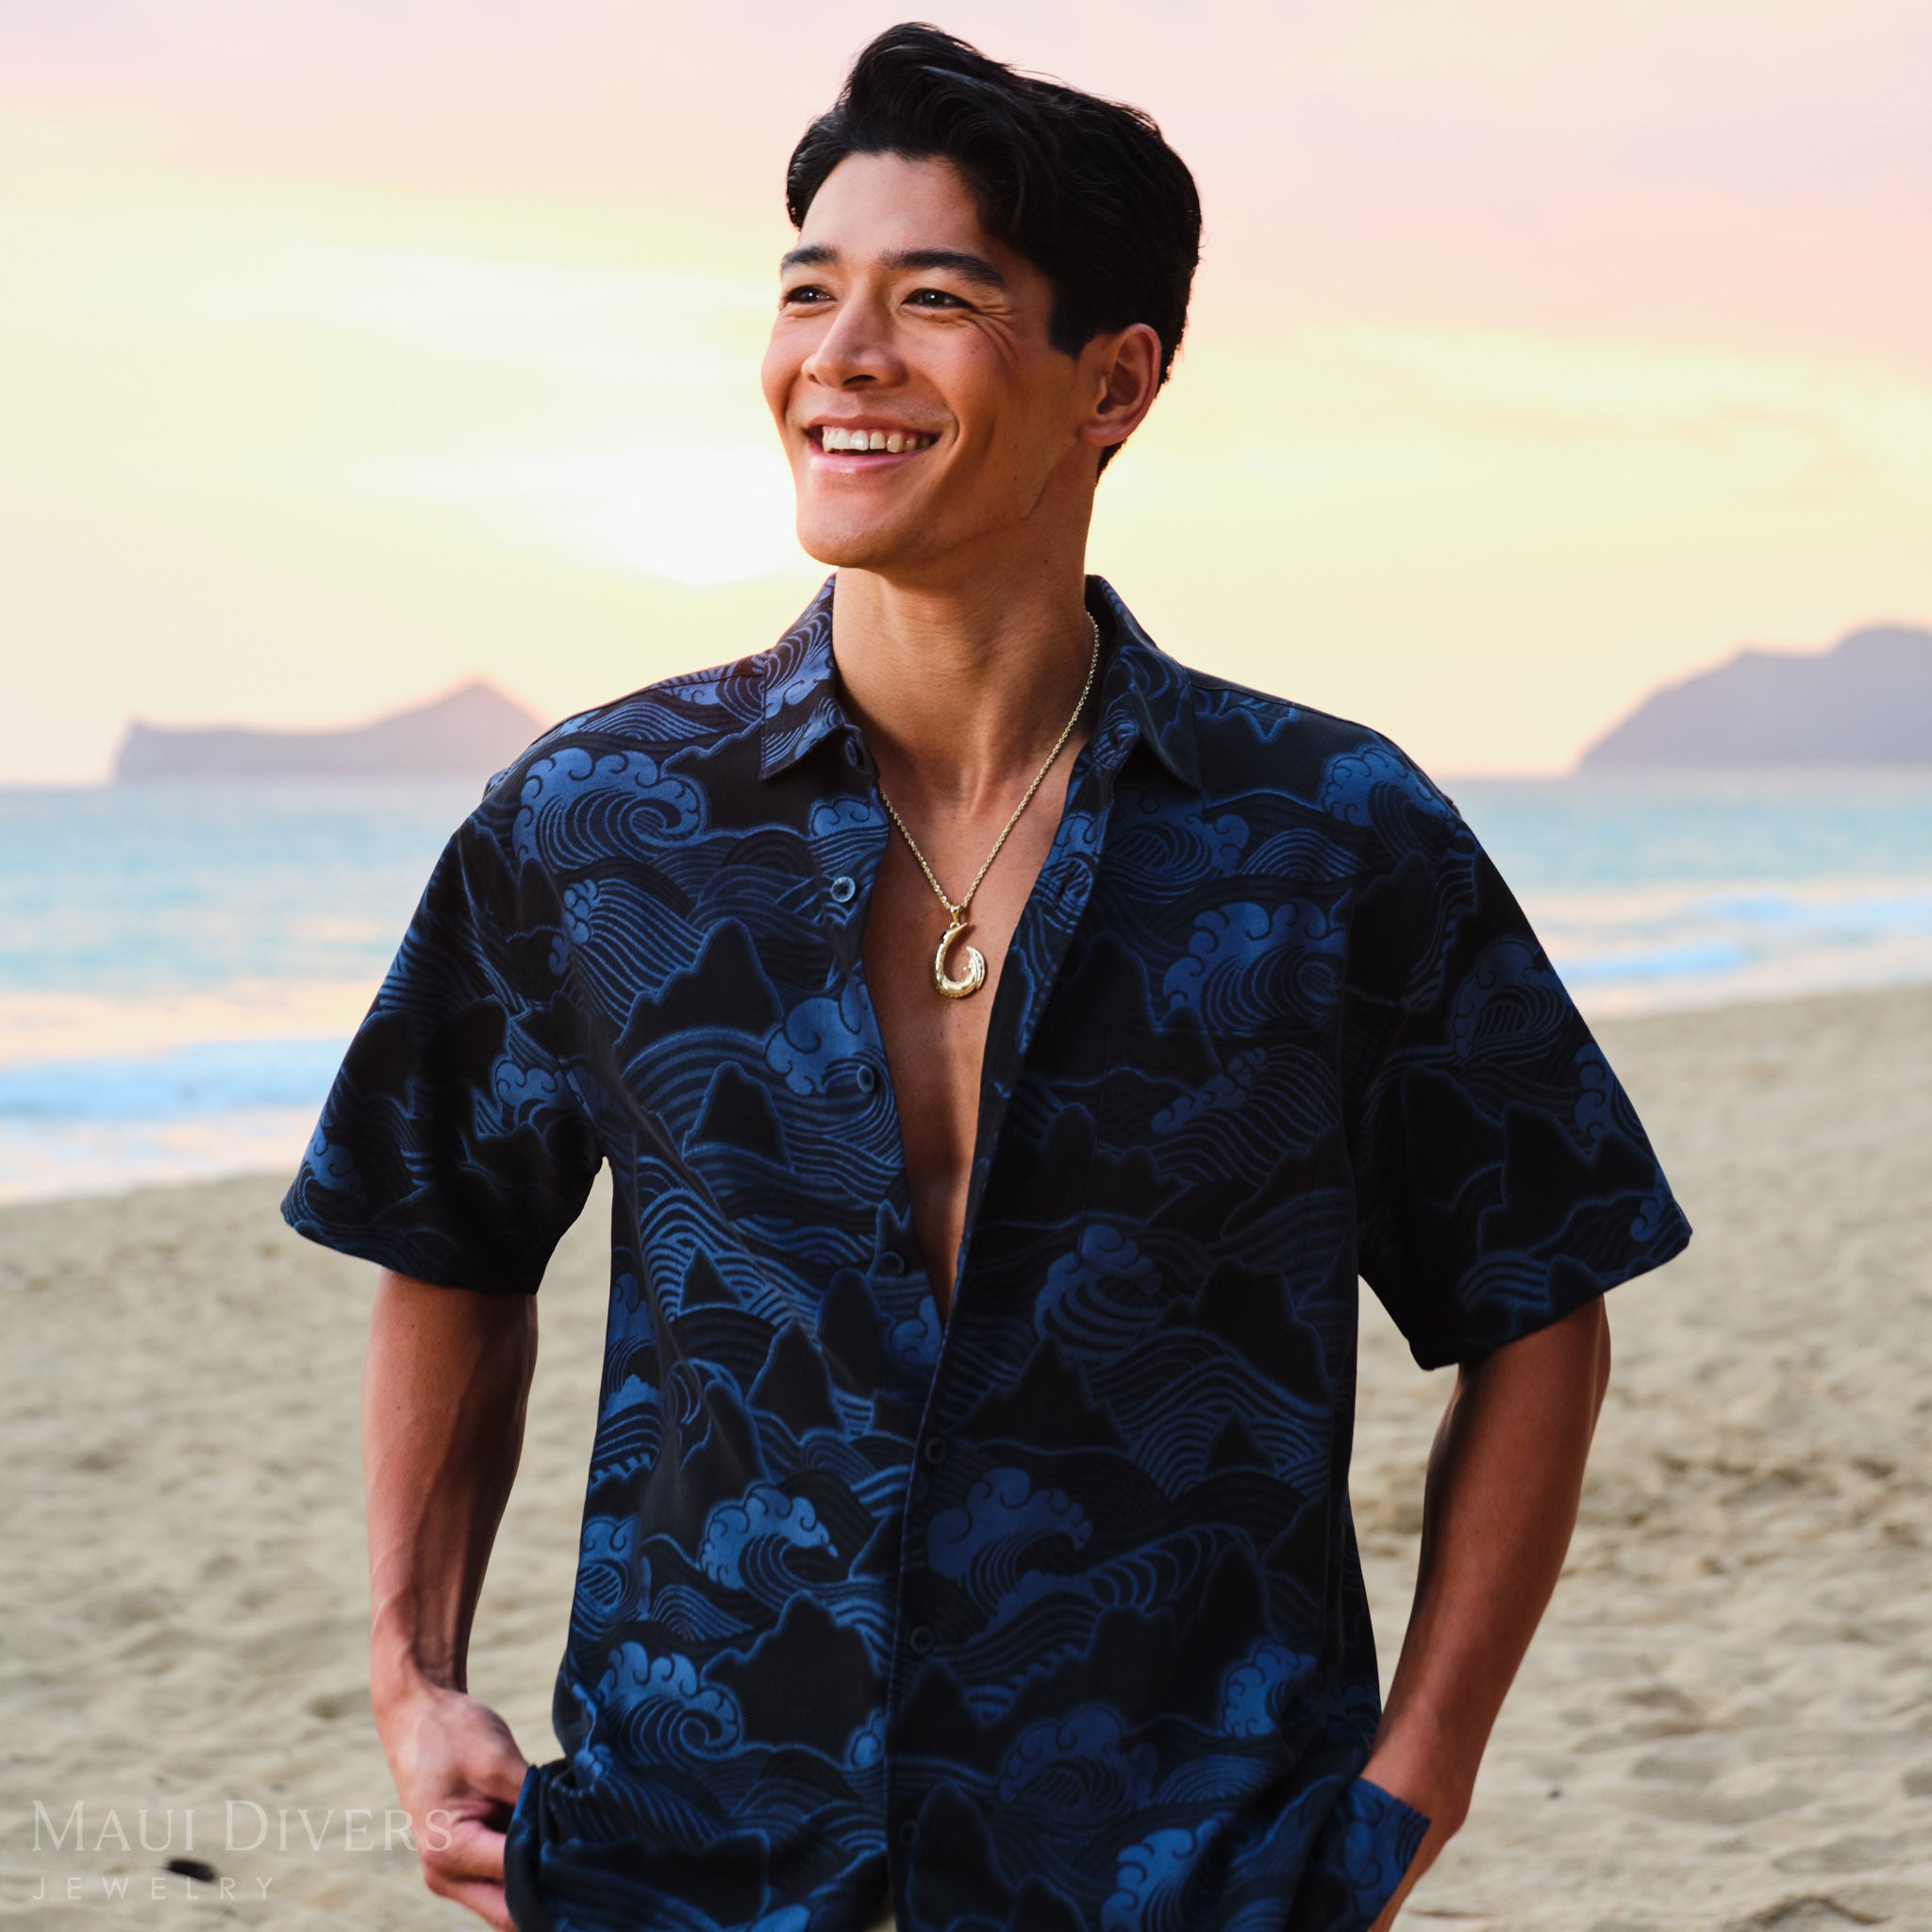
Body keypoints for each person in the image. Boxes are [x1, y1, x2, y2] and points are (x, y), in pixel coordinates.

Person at [282, 24, 1691, 1932]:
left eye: (932, 299)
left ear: (1114, 381)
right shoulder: (599, 818)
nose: (841, 355)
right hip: (688, 1862)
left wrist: (1414, 1778)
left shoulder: (1331, 830)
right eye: (809, 293)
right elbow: (445, 1226)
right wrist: (411, 1670)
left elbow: (1538, 1291)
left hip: (1184, 1867)